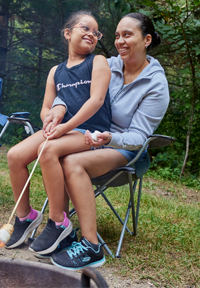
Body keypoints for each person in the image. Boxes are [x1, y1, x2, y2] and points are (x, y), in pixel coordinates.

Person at [44, 12, 170, 270]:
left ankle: (91, 246)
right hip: (88, 136)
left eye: (127, 35)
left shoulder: (156, 84)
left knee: (73, 163)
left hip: (127, 149)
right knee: (56, 152)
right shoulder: (105, 64)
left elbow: (139, 136)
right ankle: (61, 229)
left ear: (146, 40)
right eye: (117, 36)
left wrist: (110, 137)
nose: (120, 41)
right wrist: (57, 105)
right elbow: (69, 85)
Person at [5, 11, 112, 258]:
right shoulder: (56, 71)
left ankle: (58, 222)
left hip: (89, 132)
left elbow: (95, 101)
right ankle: (25, 217)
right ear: (67, 33)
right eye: (85, 28)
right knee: (14, 155)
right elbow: (45, 108)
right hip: (63, 130)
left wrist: (64, 127)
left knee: (48, 149)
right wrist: (51, 119)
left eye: (96, 32)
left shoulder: (98, 62)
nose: (91, 34)